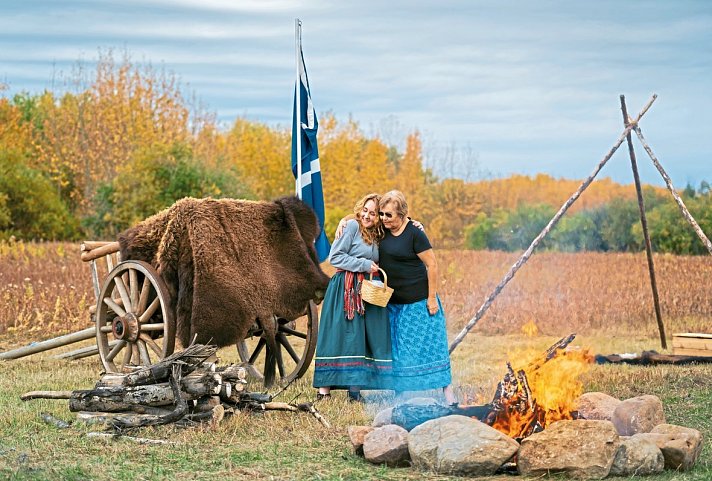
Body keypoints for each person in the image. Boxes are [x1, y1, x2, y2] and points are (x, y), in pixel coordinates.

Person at [376, 190, 457, 404]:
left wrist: (431, 299)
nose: (384, 218)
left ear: (402, 214)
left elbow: (432, 265)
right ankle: (400, 394)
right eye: (382, 214)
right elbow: (359, 217)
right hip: (394, 304)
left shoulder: (415, 233)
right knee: (399, 351)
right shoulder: (381, 230)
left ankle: (448, 393)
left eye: (389, 215)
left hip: (420, 302)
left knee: (433, 347)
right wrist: (343, 224)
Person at [312, 193, 393, 401]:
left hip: (365, 289)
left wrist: (414, 223)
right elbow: (336, 257)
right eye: (365, 210)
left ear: (379, 217)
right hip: (345, 288)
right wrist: (365, 265)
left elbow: (397, 219)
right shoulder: (352, 227)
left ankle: (354, 390)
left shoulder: (377, 234)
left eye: (373, 213)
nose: (367, 216)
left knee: (358, 338)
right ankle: (324, 392)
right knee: (338, 335)